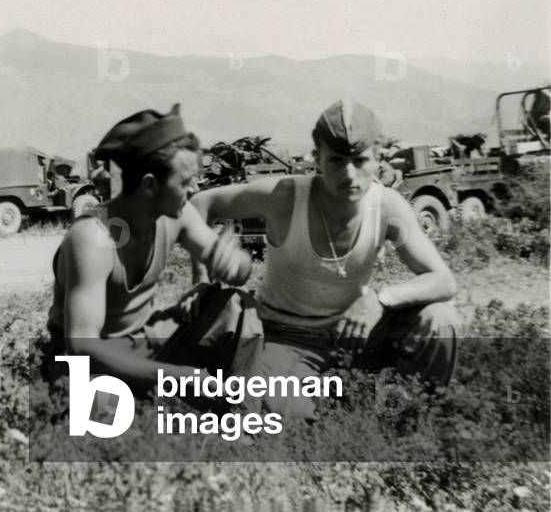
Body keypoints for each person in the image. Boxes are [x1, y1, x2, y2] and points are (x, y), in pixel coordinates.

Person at [190, 99, 460, 420]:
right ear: (317, 158)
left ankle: (415, 423)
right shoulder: (286, 198)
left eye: (360, 160)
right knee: (269, 408)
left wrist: (380, 299)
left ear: (377, 158)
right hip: (288, 338)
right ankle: (341, 404)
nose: (349, 174)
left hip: (356, 332)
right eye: (336, 161)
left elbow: (443, 281)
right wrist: (202, 286)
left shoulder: (387, 207)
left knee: (440, 320)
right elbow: (200, 204)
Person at [46, 104, 262, 395]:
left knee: (236, 306)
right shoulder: (92, 237)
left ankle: (238, 408)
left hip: (145, 340)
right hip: (92, 363)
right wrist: (174, 376)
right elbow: (83, 347)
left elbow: (237, 269)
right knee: (104, 414)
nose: (195, 189)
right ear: (150, 185)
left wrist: (236, 264)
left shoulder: (179, 215)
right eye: (185, 181)